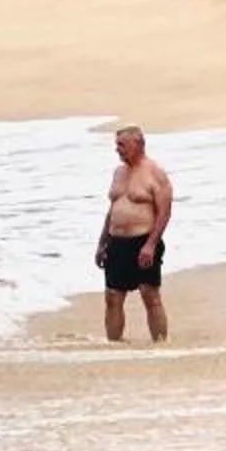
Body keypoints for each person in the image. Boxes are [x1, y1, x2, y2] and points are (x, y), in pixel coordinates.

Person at [94, 125, 172, 343]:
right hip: (116, 242)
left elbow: (164, 212)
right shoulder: (118, 172)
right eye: (116, 145)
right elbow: (112, 210)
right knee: (112, 296)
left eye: (122, 144)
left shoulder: (155, 172)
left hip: (143, 240)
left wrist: (151, 244)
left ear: (138, 144)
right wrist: (102, 243)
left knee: (150, 295)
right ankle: (114, 344)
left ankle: (160, 343)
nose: (117, 150)